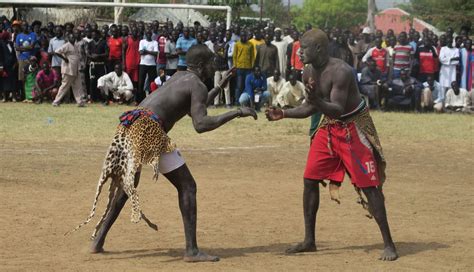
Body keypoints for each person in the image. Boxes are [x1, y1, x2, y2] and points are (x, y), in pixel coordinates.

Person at [67, 44, 257, 262]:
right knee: (187, 186)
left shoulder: (180, 76)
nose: (214, 69)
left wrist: (221, 85)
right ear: (203, 66)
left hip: (131, 123)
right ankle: (192, 251)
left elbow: (191, 103)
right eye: (212, 64)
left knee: (127, 187)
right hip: (149, 129)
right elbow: (201, 123)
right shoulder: (197, 85)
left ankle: (98, 241)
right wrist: (235, 112)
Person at [265, 29, 397, 261]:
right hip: (329, 127)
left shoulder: (342, 71)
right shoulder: (307, 71)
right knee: (309, 179)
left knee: (369, 186)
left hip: (353, 127)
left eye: (303, 48)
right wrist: (283, 113)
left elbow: (336, 107)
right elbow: (310, 108)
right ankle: (309, 240)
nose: (299, 52)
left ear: (318, 49)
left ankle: (389, 243)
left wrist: (316, 100)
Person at [52, 32, 86, 107]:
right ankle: (56, 101)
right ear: (68, 38)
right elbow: (57, 52)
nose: (73, 39)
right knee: (64, 86)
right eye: (71, 37)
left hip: (76, 69)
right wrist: (65, 58)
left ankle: (80, 102)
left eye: (74, 37)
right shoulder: (66, 45)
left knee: (78, 86)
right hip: (68, 69)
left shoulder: (76, 45)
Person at [15, 21, 37, 100]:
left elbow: (32, 47)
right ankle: (24, 96)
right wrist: (26, 48)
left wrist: (22, 48)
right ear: (21, 27)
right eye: (23, 26)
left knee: (31, 77)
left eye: (26, 26)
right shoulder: (19, 36)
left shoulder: (33, 35)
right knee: (22, 78)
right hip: (22, 59)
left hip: (31, 59)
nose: (25, 27)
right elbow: (17, 48)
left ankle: (32, 95)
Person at [233, 31, 255, 105]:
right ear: (240, 36)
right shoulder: (237, 44)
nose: (243, 37)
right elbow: (234, 56)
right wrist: (235, 66)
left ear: (246, 36)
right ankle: (237, 101)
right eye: (242, 36)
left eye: (244, 36)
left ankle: (246, 101)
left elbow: (252, 56)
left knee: (247, 85)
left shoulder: (250, 44)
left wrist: (252, 66)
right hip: (239, 68)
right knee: (239, 85)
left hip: (248, 68)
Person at [137, 30, 159, 104]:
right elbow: (140, 52)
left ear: (152, 34)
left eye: (150, 33)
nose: (148, 35)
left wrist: (146, 51)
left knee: (152, 83)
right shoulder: (142, 41)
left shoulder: (155, 42)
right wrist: (149, 52)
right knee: (141, 82)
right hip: (143, 64)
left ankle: (152, 99)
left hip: (152, 65)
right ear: (145, 34)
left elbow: (156, 53)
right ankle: (140, 99)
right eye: (147, 33)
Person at [87, 29, 108, 102]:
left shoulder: (103, 42)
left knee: (101, 81)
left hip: (101, 65)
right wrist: (91, 56)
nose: (93, 36)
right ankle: (93, 98)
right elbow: (87, 53)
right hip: (93, 65)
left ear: (98, 35)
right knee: (92, 81)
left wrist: (98, 56)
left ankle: (102, 98)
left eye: (94, 35)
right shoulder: (90, 43)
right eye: (92, 35)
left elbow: (106, 53)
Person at [213, 31, 231, 107]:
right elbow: (222, 53)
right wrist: (223, 49)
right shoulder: (215, 45)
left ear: (223, 36)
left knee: (226, 87)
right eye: (218, 36)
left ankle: (228, 103)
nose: (220, 37)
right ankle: (216, 103)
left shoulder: (226, 44)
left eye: (221, 36)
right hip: (217, 68)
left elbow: (223, 56)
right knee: (216, 86)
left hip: (224, 68)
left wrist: (219, 51)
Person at [0, 31, 18, 102]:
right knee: (4, 81)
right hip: (4, 66)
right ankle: (4, 97)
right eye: (8, 35)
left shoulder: (10, 43)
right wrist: (1, 66)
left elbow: (13, 54)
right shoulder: (1, 44)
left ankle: (14, 97)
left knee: (13, 81)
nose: (10, 36)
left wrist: (15, 62)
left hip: (12, 65)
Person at [123, 27, 141, 92]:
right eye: (133, 31)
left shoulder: (139, 40)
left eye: (136, 31)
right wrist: (123, 63)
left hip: (136, 64)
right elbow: (123, 51)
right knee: (127, 80)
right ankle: (126, 95)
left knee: (135, 81)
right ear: (131, 32)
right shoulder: (127, 39)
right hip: (128, 63)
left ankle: (134, 96)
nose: (135, 32)